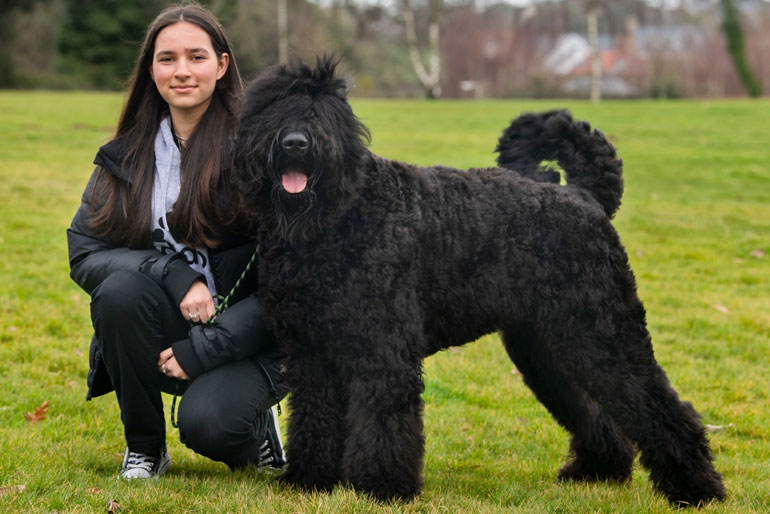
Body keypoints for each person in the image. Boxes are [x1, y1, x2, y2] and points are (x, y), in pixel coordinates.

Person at [67, 2, 287, 479]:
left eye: (196, 56)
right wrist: (172, 272)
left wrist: (204, 350)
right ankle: (145, 448)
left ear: (222, 65)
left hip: (252, 329)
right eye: (167, 58)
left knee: (211, 426)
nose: (181, 71)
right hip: (169, 319)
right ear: (151, 69)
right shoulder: (125, 156)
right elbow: (85, 253)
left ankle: (254, 421)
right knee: (119, 292)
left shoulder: (257, 154)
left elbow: (292, 279)